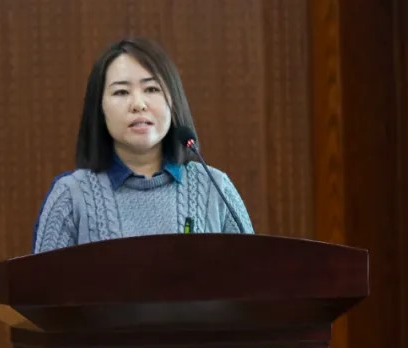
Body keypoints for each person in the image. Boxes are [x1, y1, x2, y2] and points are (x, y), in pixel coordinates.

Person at [31, 37, 254, 253]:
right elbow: (41, 279)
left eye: (151, 89)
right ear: (99, 108)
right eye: (121, 92)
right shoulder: (71, 197)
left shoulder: (215, 187)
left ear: (173, 101)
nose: (138, 104)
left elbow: (255, 273)